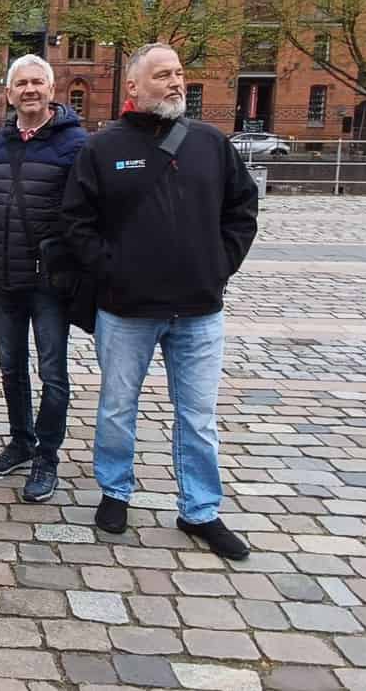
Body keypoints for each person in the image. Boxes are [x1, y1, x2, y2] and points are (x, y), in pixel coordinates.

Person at [62, 42, 258, 560]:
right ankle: (114, 491)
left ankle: (200, 509)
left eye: (179, 73)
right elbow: (76, 223)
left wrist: (221, 264)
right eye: (163, 75)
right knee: (117, 406)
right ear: (134, 87)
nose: (176, 83)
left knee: (197, 415)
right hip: (126, 311)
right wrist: (113, 272)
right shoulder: (101, 148)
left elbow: (242, 209)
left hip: (199, 311)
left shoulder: (210, 144)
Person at [0, 54, 87, 502]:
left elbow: (86, 211)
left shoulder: (75, 143)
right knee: (10, 368)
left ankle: (47, 453)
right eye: (21, 83)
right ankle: (21, 440)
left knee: (52, 372)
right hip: (5, 278)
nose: (29, 90)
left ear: (50, 89)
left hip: (48, 282)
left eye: (37, 83)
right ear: (9, 93)